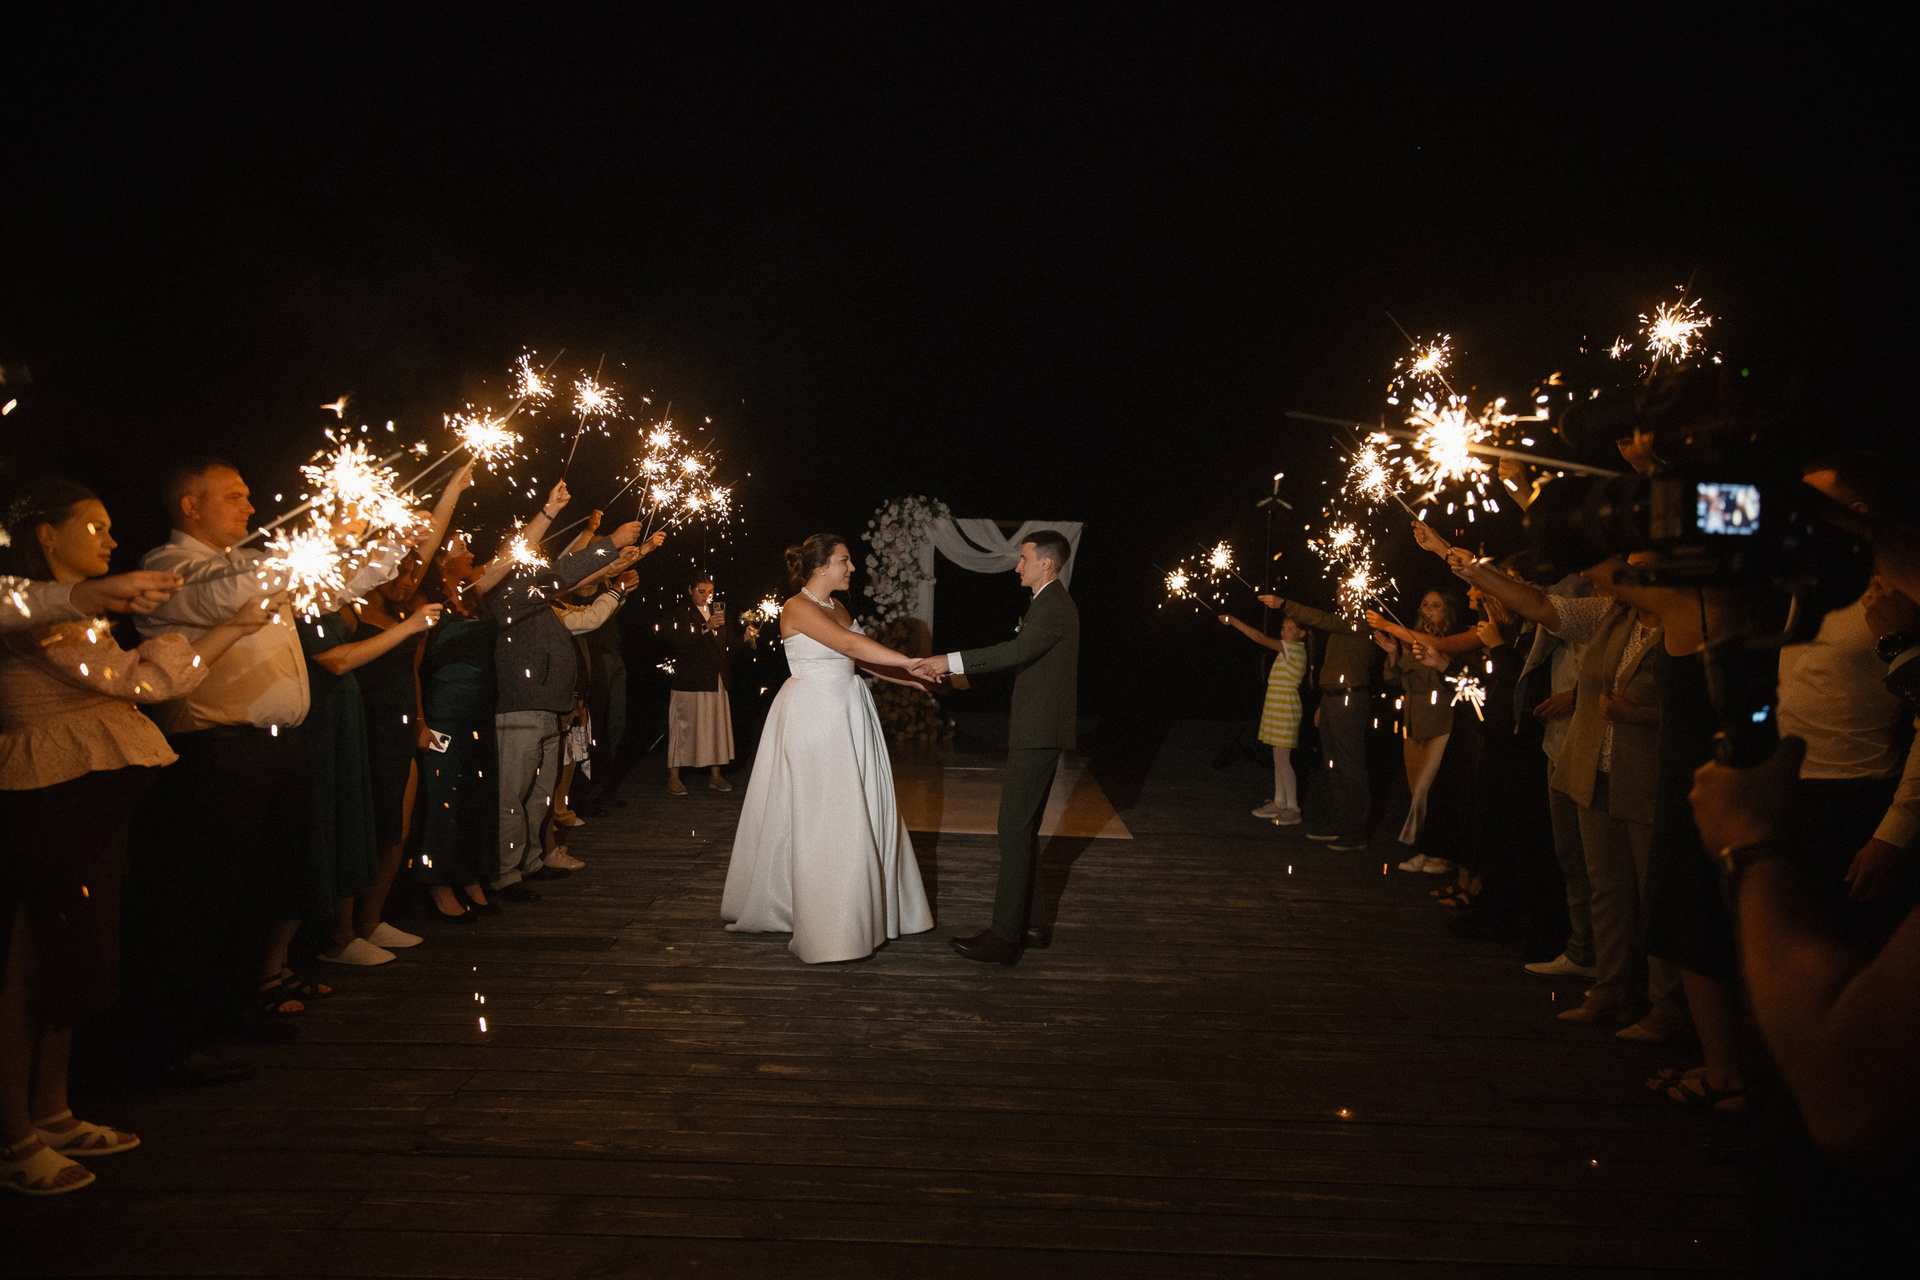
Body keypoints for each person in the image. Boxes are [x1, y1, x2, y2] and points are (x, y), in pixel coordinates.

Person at [0, 479, 267, 1196]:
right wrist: (101, 600)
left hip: (88, 805)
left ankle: (52, 1112)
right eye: (94, 526)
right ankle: (13, 1137)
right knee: (32, 968)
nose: (113, 540)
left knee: (71, 959)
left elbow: (151, 681)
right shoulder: (29, 614)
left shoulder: (74, 617)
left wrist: (240, 625)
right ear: (46, 535)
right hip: (49, 805)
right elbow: (141, 683)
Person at [124, 458, 406, 1085]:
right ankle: (172, 1040)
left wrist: (388, 540)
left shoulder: (250, 563)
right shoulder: (173, 566)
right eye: (234, 496)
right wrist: (324, 536)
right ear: (190, 506)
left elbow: (337, 588)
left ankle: (229, 1008)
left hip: (276, 751)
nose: (250, 508)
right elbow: (228, 593)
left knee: (259, 889)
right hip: (218, 752)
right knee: (205, 896)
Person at [723, 534, 934, 963]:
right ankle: (825, 919)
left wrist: (910, 678)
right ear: (821, 566)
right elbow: (849, 644)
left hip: (849, 710)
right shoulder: (795, 607)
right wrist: (908, 660)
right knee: (824, 809)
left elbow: (858, 659)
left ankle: (862, 910)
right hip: (814, 715)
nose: (851, 568)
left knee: (858, 804)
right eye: (844, 560)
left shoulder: (838, 607)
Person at [914, 530, 1079, 965]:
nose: (1017, 566)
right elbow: (1024, 660)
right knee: (1021, 831)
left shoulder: (1053, 605)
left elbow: (1015, 651)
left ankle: (1005, 938)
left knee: (1012, 829)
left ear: (1046, 563)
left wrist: (949, 661)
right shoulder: (1047, 603)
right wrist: (956, 681)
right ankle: (1034, 924)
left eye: (1024, 558)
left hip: (1039, 733)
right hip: (1038, 730)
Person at [487, 481, 648, 903]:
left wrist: (615, 574)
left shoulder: (538, 602)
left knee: (539, 796)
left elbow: (575, 591)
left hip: (549, 710)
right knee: (512, 796)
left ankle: (531, 861)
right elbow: (563, 572)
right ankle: (504, 874)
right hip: (521, 708)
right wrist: (610, 543)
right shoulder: (508, 594)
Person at [1256, 590, 1376, 851]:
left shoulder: (1359, 620)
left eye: (1346, 587)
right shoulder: (1341, 623)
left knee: (1350, 767)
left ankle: (1356, 833)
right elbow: (1335, 667)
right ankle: (1340, 825)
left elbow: (1321, 619)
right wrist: (1323, 702)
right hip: (1333, 698)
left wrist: (1285, 603)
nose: (1339, 591)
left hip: (1350, 699)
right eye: (1339, 587)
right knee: (1334, 766)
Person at [1372, 589, 1463, 874]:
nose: (1428, 609)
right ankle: (1427, 850)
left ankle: (1438, 852)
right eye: (1425, 604)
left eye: (1436, 605)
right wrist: (1392, 654)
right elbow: (1394, 678)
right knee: (1417, 792)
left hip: (1441, 722)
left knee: (1427, 789)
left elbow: (1455, 680)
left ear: (1447, 610)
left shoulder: (1453, 642)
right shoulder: (1410, 641)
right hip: (1413, 723)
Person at [1220, 612, 1309, 823]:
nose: (1284, 632)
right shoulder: (1287, 649)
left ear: (1302, 633)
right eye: (1283, 628)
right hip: (1276, 707)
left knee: (1283, 759)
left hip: (1286, 708)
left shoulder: (1295, 649)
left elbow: (1259, 638)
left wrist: (1235, 621)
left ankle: (1293, 808)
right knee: (1278, 758)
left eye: (1290, 629)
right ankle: (1279, 802)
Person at [666, 572, 738, 796]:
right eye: (701, 591)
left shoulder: (719, 612)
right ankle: (674, 777)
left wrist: (746, 637)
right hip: (690, 680)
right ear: (690, 590)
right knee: (683, 728)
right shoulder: (682, 613)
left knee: (716, 727)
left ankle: (715, 776)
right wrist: (705, 626)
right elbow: (678, 642)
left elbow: (729, 645)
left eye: (710, 592)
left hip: (716, 678)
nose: (706, 596)